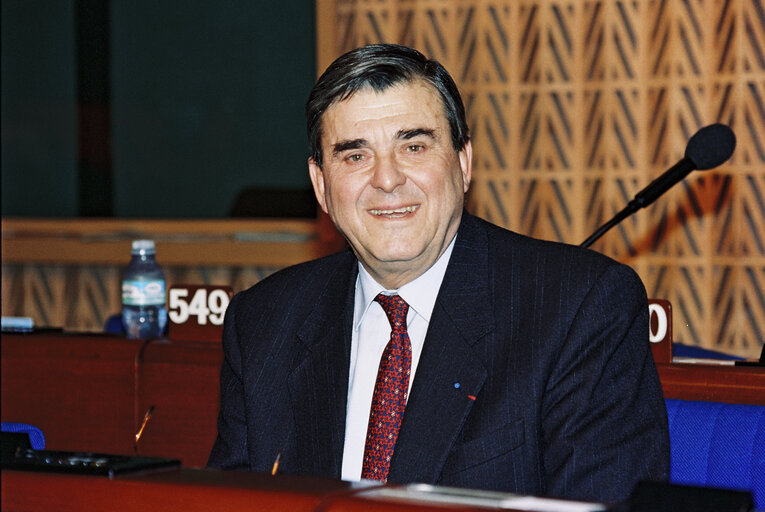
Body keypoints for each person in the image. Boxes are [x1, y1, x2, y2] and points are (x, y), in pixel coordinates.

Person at [208, 43, 669, 503]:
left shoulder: (577, 307)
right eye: (355, 156)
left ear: (463, 163)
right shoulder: (264, 322)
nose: (386, 179)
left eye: (413, 146)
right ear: (321, 186)